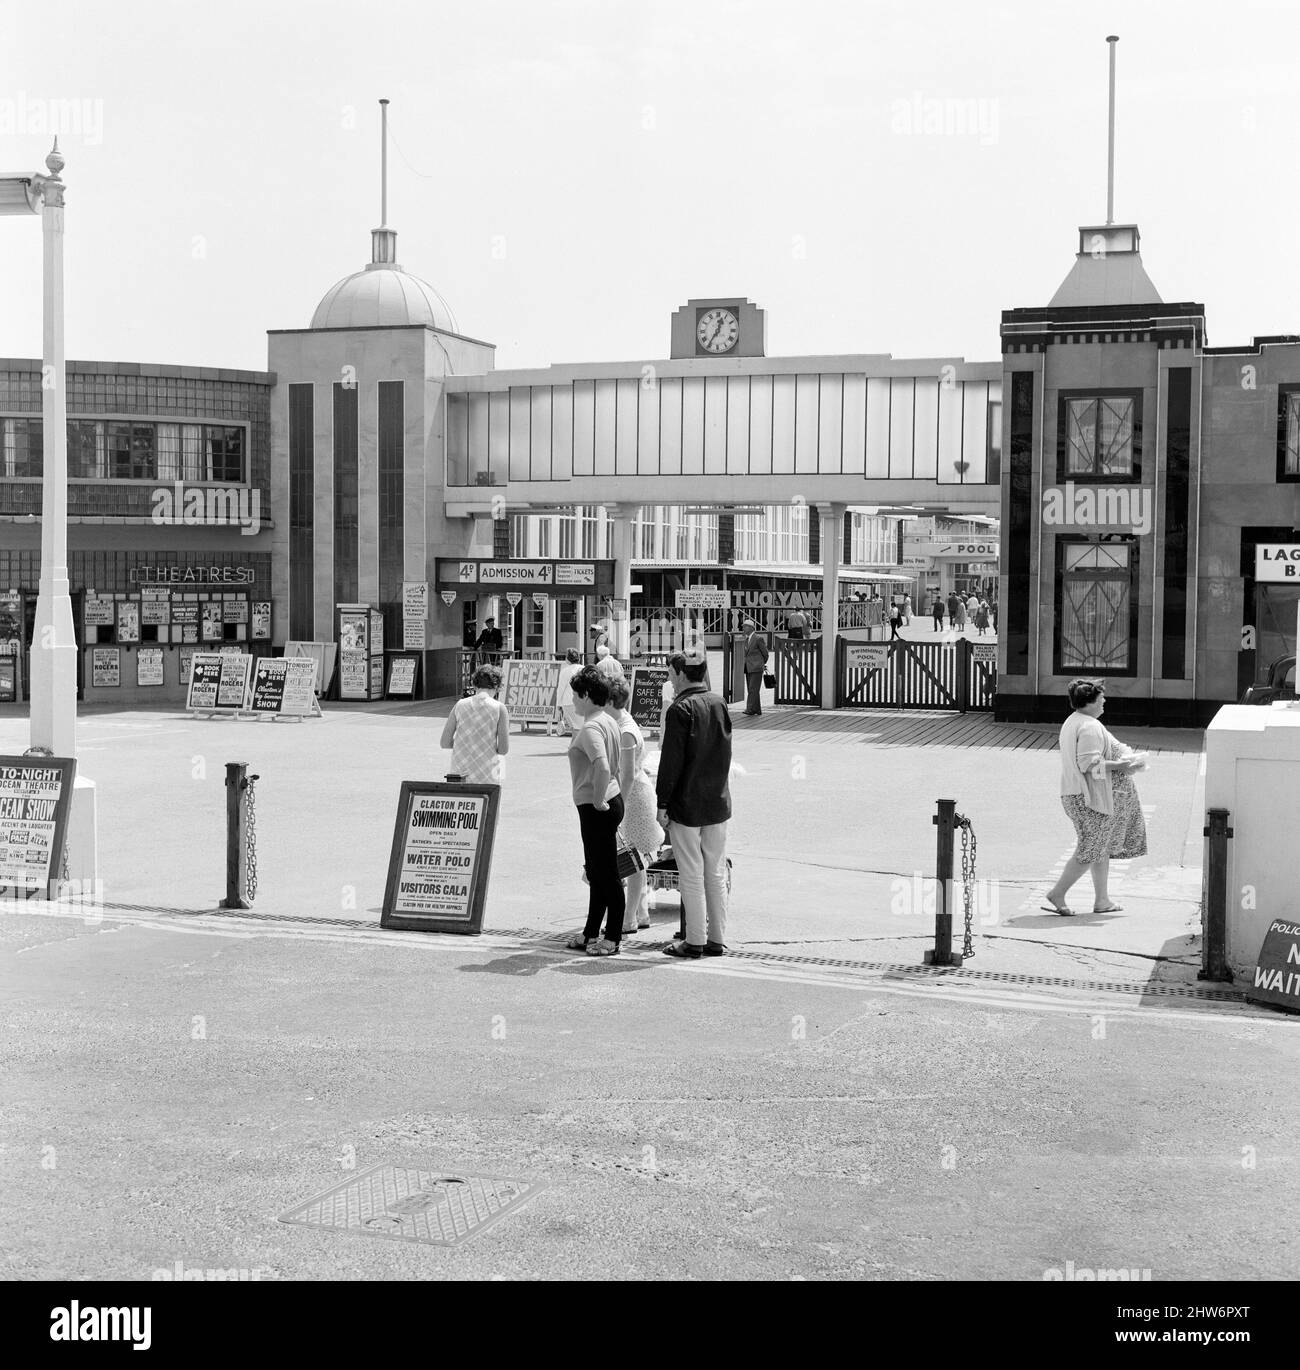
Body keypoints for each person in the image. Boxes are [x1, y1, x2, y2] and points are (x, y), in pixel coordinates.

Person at [1043, 679, 1149, 916]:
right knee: (1091, 849)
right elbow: (1089, 765)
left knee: (1098, 848)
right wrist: (1120, 765)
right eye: (1101, 697)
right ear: (1090, 702)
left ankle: (1102, 900)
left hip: (1076, 794)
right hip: (1087, 797)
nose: (1104, 701)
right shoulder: (1089, 725)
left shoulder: (1075, 721)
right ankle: (1057, 893)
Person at [656, 645, 732, 959]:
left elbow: (670, 762)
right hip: (717, 800)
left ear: (684, 674)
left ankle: (695, 939)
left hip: (687, 803)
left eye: (673, 673)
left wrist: (662, 803)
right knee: (714, 871)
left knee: (691, 871)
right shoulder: (719, 703)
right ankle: (716, 938)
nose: (670, 679)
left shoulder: (679, 709)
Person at [565, 666, 626, 956]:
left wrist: (599, 799)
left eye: (577, 695)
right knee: (598, 872)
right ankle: (591, 932)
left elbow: (602, 766)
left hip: (597, 805)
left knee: (606, 874)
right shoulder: (607, 719)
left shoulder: (590, 727)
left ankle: (612, 936)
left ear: (587, 695)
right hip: (607, 801)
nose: (574, 701)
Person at [606, 676, 664, 935]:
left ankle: (628, 918)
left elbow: (626, 774)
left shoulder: (624, 730)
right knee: (634, 859)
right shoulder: (621, 722)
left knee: (632, 860)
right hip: (634, 795)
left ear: (609, 700)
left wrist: (618, 806)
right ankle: (640, 913)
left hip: (633, 798)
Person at [439, 664, 509, 782]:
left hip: (459, 774)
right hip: (487, 775)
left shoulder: (460, 705)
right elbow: (503, 749)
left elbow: (444, 743)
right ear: (497, 687)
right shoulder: (499, 708)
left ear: (474, 685)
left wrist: (464, 745)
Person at [741, 617, 769, 716]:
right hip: (748, 668)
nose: (743, 628)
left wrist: (760, 663)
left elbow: (765, 653)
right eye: (743, 627)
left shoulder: (758, 638)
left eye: (745, 627)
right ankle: (757, 709)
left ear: (751, 628)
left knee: (753, 689)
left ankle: (749, 709)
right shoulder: (745, 639)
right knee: (752, 689)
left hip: (756, 668)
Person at [556, 648, 582, 735]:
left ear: (568, 658)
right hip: (583, 701)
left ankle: (576, 745)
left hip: (568, 702)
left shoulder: (565, 671)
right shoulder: (584, 669)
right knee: (581, 726)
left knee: (574, 727)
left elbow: (561, 689)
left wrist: (558, 704)